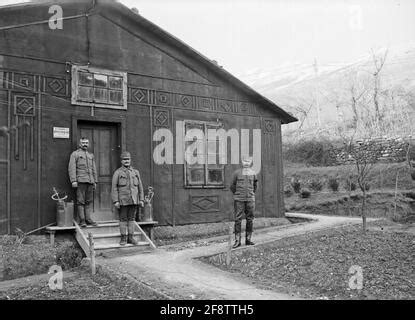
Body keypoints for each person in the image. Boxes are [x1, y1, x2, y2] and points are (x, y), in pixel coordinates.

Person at [111, 151, 144, 246]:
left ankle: (131, 237)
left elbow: (140, 187)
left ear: (130, 160)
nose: (126, 161)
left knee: (132, 218)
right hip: (123, 200)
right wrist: (116, 200)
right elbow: (114, 187)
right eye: (124, 159)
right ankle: (123, 238)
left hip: (134, 200)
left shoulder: (135, 172)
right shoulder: (118, 173)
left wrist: (141, 199)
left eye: (128, 159)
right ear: (121, 161)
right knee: (123, 219)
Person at [68, 137, 98, 227]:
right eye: (83, 142)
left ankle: (88, 219)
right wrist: (73, 180)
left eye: (86, 143)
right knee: (81, 201)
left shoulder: (90, 155)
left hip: (90, 181)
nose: (85, 144)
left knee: (88, 201)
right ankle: (82, 220)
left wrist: (95, 181)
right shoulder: (75, 154)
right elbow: (71, 168)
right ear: (80, 144)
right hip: (80, 181)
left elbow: (94, 169)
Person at [230, 156, 258, 248]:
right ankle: (237, 241)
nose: (246, 163)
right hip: (239, 199)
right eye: (244, 161)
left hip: (250, 199)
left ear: (251, 162)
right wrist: (237, 194)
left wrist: (251, 194)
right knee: (238, 219)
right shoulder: (236, 173)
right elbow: (232, 186)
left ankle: (248, 239)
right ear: (241, 162)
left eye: (248, 161)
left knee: (250, 219)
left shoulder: (254, 173)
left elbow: (255, 186)